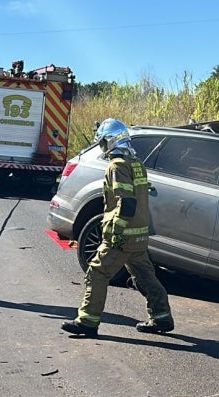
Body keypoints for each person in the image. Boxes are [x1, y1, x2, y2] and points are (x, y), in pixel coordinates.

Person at [62, 118, 174, 338]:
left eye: (103, 142)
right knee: (145, 276)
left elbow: (127, 203)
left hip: (122, 236)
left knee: (97, 271)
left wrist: (116, 232)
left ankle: (88, 321)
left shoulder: (117, 166)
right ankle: (162, 317)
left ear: (110, 141)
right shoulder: (136, 164)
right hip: (139, 235)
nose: (102, 147)